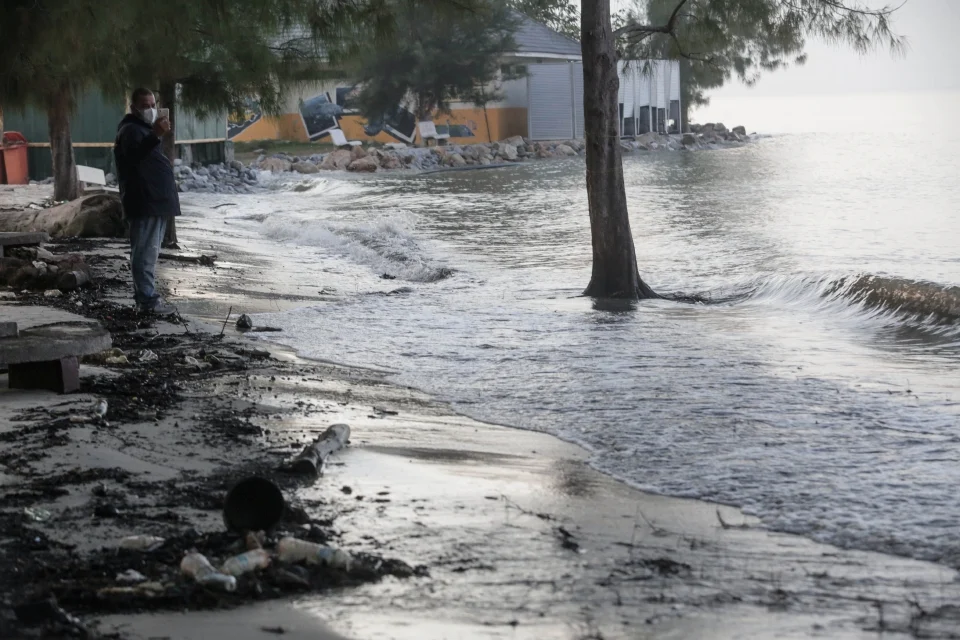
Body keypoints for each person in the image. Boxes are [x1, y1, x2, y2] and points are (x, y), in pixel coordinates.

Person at [114, 87, 180, 314]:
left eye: (153, 105)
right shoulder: (131, 130)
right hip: (144, 200)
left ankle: (147, 298)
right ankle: (146, 300)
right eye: (145, 105)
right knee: (144, 252)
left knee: (149, 251)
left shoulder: (142, 130)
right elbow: (134, 157)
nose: (151, 109)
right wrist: (155, 135)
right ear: (134, 108)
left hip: (155, 200)